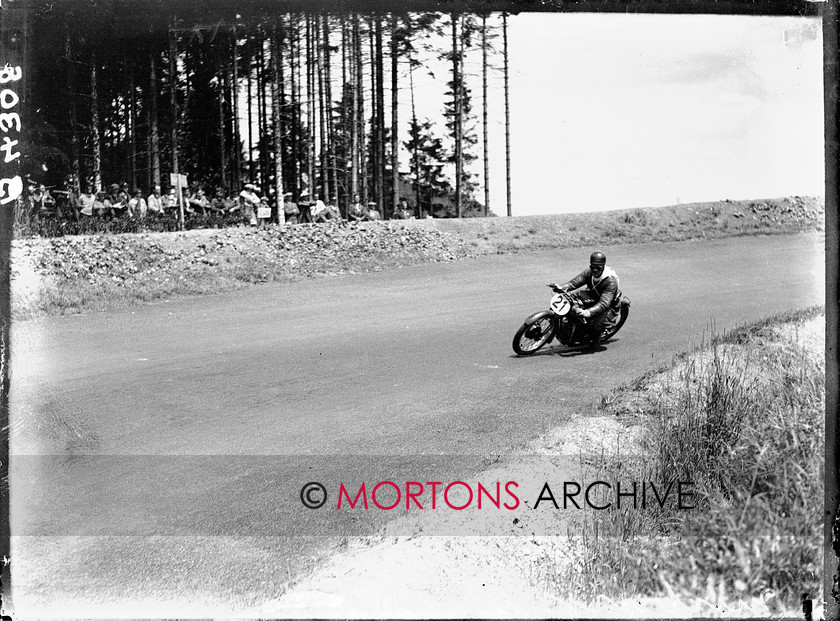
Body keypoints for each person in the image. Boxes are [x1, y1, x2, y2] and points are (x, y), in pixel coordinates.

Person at [550, 251, 621, 349]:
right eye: (592, 267)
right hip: (593, 294)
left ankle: (596, 343)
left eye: (598, 268)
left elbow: (604, 303)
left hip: (608, 303)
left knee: (596, 326)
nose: (595, 270)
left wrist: (588, 312)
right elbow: (574, 283)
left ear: (603, 266)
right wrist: (561, 287)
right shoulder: (589, 272)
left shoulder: (610, 281)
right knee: (571, 301)